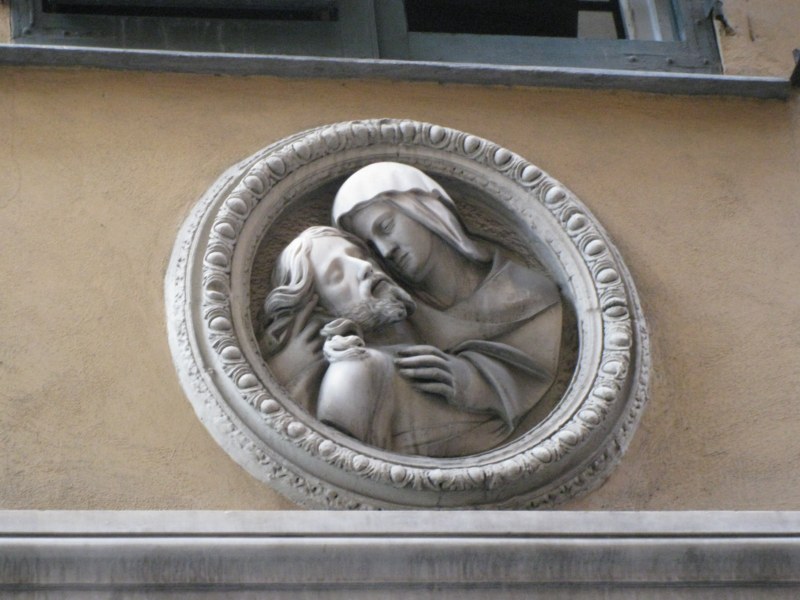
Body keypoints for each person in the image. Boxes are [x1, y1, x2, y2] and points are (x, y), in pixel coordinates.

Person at [332, 162, 563, 432]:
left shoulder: (528, 292)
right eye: (372, 245)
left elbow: (535, 371)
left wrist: (468, 379)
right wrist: (340, 349)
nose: (385, 251)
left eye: (386, 227)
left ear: (424, 211)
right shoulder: (397, 312)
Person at [259, 226, 515, 457]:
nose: (364, 267)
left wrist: (471, 382)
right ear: (321, 310)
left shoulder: (448, 342)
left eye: (360, 256)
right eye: (337, 275)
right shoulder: (355, 371)